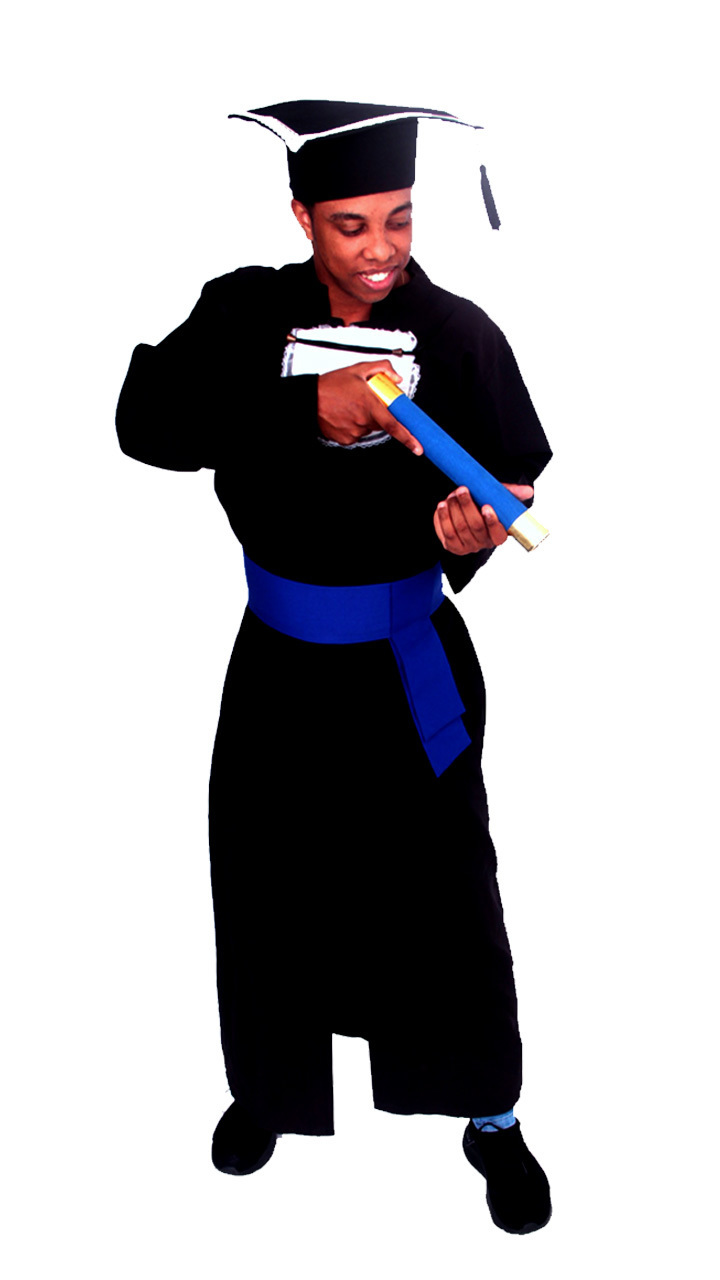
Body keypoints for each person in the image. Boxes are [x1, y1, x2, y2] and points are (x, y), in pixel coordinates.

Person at [116, 100, 553, 1235]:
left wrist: (470, 532)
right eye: (351, 224)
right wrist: (304, 403)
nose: (379, 249)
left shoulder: (457, 333)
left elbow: (510, 474)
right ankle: (270, 1089)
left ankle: (490, 1111)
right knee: (268, 876)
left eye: (399, 219)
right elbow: (146, 421)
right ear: (303, 216)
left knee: (445, 891)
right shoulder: (243, 311)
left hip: (408, 662)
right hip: (278, 664)